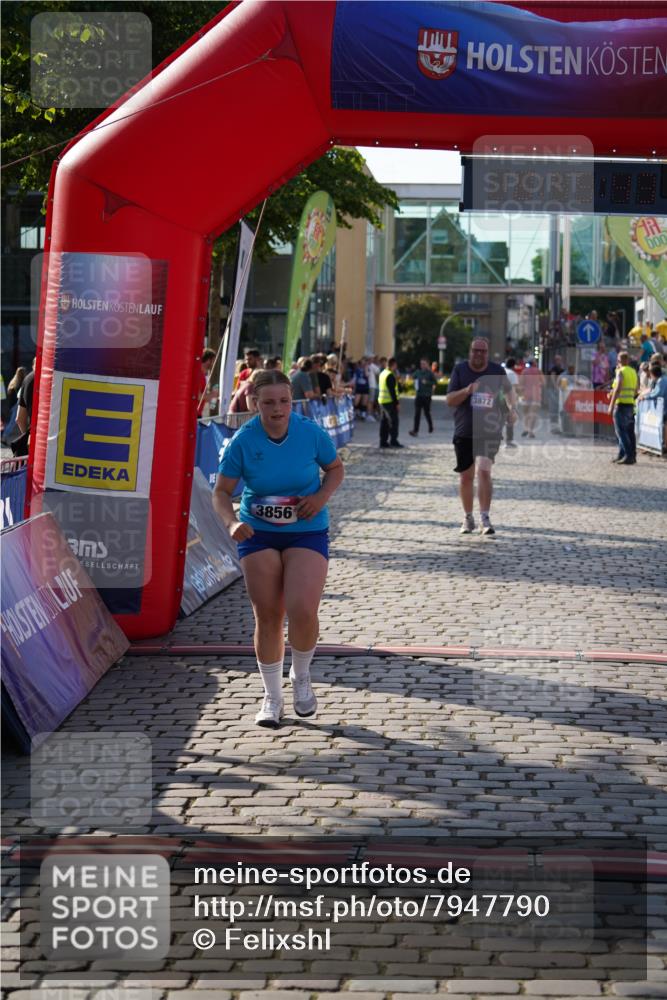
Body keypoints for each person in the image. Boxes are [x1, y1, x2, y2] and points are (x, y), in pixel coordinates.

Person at [213, 369, 344, 728]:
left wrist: (320, 497)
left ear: (291, 402)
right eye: (268, 402)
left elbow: (335, 469)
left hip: (306, 530)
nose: (277, 409)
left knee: (302, 609)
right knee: (268, 614)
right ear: (255, 403)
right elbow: (221, 492)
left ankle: (301, 677)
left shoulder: (309, 432)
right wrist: (232, 523)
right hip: (259, 532)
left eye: (284, 401)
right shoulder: (244, 440)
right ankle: (271, 697)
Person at [446, 337, 517, 535]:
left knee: (484, 471)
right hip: (465, 430)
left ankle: (485, 519)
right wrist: (467, 391)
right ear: (470, 351)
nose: (479, 354)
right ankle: (468, 518)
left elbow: (510, 393)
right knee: (466, 476)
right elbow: (450, 399)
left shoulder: (496, 371)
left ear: (487, 353)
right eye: (475, 350)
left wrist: (513, 409)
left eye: (482, 351)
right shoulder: (460, 370)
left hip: (489, 430)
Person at [608, 350, 638, 465]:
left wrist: (611, 405)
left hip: (621, 405)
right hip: (630, 404)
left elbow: (618, 388)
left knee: (621, 431)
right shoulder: (633, 372)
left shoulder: (620, 372)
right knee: (629, 431)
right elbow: (636, 389)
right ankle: (624, 455)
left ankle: (628, 455)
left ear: (619, 361)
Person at [378, 357, 403, 449]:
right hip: (389, 402)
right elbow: (392, 391)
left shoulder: (383, 373)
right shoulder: (390, 375)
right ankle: (393, 440)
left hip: (382, 401)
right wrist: (397, 403)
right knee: (393, 422)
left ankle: (383, 441)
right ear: (394, 365)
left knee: (384, 422)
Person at [409, 358, 437, 436]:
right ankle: (415, 431)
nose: (422, 365)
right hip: (419, 395)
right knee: (417, 413)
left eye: (424, 364)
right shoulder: (418, 372)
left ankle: (431, 426)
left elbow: (435, 382)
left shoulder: (430, 373)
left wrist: (427, 382)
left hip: (427, 396)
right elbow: (412, 377)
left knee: (426, 413)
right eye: (421, 364)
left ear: (427, 364)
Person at [518, 359, 545, 439]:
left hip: (526, 394)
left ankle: (526, 428)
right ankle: (531, 431)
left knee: (526, 413)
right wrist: (538, 384)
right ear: (534, 364)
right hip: (536, 394)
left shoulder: (524, 371)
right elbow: (544, 382)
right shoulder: (539, 371)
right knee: (533, 414)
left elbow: (521, 383)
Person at [502, 357, 519, 448]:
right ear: (513, 366)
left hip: (498, 398)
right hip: (508, 399)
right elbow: (513, 388)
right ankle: (509, 441)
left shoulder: (501, 372)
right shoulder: (512, 374)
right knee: (510, 420)